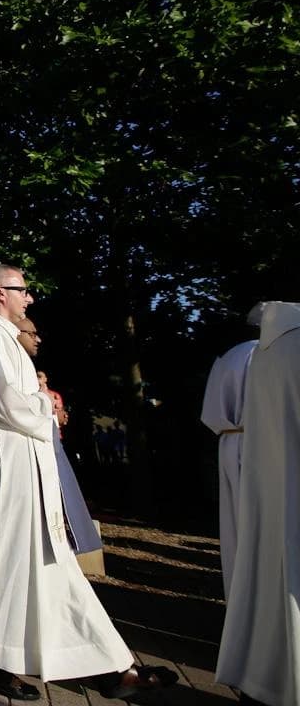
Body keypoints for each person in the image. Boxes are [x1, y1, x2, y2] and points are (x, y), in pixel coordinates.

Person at [0, 264, 175, 701]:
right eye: (23, 290)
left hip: (20, 474)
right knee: (7, 569)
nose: (29, 298)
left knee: (48, 572)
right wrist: (45, 404)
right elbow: (2, 404)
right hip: (7, 477)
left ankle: (109, 667)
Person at [215, 300, 300, 706]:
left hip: (241, 445)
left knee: (248, 541)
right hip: (263, 448)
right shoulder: (287, 345)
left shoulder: (253, 353)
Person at [15, 316, 101, 556]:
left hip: (52, 445)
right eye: (32, 333)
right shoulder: (16, 369)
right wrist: (43, 399)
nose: (37, 338)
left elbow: (57, 414)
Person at [198, 304, 261, 598]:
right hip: (259, 442)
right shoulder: (266, 354)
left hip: (228, 440)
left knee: (236, 523)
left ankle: (240, 592)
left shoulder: (228, 356)